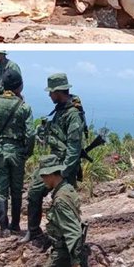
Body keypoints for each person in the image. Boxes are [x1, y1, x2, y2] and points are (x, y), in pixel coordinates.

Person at [18, 155, 99, 267]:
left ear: (52, 175)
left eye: (44, 176)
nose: (42, 180)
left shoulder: (61, 199)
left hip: (65, 253)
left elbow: (73, 232)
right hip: (74, 251)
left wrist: (74, 260)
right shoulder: (68, 189)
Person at [22, 73, 86, 244]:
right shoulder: (61, 110)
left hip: (65, 164)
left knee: (67, 203)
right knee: (34, 192)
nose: (49, 95)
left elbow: (74, 147)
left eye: (51, 92)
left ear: (59, 91)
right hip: (53, 161)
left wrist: (65, 171)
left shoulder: (72, 114)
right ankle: (34, 231)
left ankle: (71, 239)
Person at [0, 74, 32, 237]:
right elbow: (31, 133)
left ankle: (3, 228)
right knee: (17, 190)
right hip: (18, 153)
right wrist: (27, 152)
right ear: (20, 87)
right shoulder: (24, 106)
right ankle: (16, 225)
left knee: (0, 190)